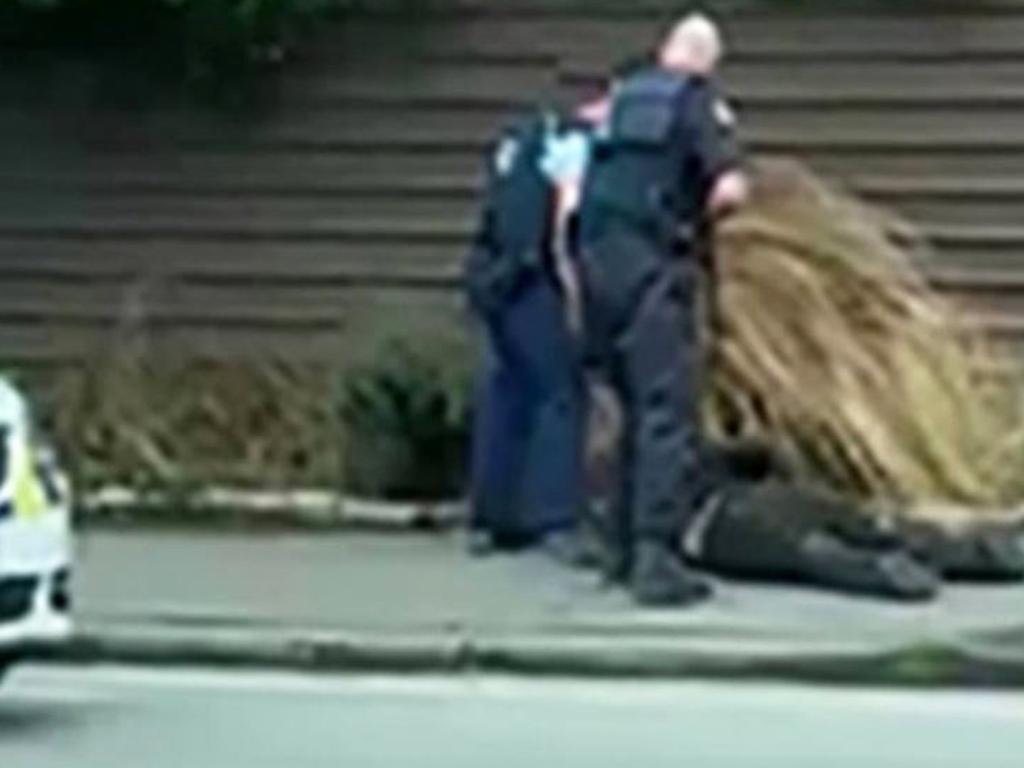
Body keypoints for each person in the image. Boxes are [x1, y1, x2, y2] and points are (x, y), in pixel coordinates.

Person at [577, 14, 749, 606]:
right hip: (654, 274)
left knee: (622, 410)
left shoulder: (620, 101)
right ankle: (657, 560)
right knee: (664, 412)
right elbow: (728, 189)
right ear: (706, 63)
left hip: (598, 273)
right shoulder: (694, 102)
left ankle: (617, 549)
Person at [464, 108, 588, 559]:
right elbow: (564, 225)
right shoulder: (573, 146)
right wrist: (574, 295)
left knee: (504, 395)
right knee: (558, 397)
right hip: (537, 282)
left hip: (496, 279)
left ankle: (491, 516)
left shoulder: (519, 141)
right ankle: (552, 518)